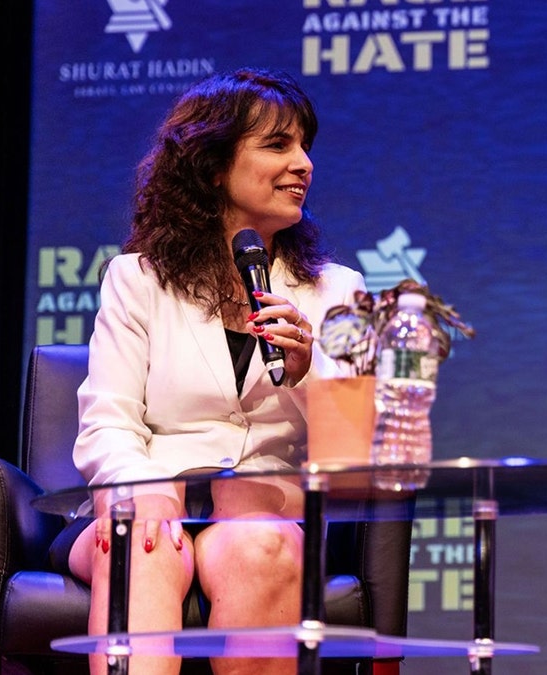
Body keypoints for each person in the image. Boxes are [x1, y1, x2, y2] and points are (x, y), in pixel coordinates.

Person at [56, 68, 366, 675]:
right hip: (152, 495)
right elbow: (108, 424)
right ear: (214, 166)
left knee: (260, 545)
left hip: (265, 510)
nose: (303, 164)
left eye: (305, 146)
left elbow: (357, 452)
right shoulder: (138, 280)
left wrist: (307, 373)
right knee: (140, 543)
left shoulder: (337, 291)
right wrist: (140, 494)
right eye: (277, 144)